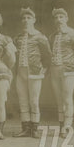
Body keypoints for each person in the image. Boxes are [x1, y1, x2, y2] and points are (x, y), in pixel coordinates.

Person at [13, 8, 52, 138]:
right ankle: (25, 128)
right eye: (24, 18)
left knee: (34, 101)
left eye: (29, 18)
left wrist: (43, 70)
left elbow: (47, 56)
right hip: (20, 73)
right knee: (23, 100)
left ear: (34, 20)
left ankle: (34, 129)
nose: (26, 20)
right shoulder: (17, 38)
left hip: (34, 73)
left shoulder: (40, 37)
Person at [49, 8, 74, 138]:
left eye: (61, 17)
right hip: (54, 70)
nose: (59, 20)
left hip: (69, 71)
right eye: (56, 18)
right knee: (59, 99)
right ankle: (61, 126)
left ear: (66, 18)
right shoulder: (52, 36)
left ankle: (67, 126)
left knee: (67, 98)